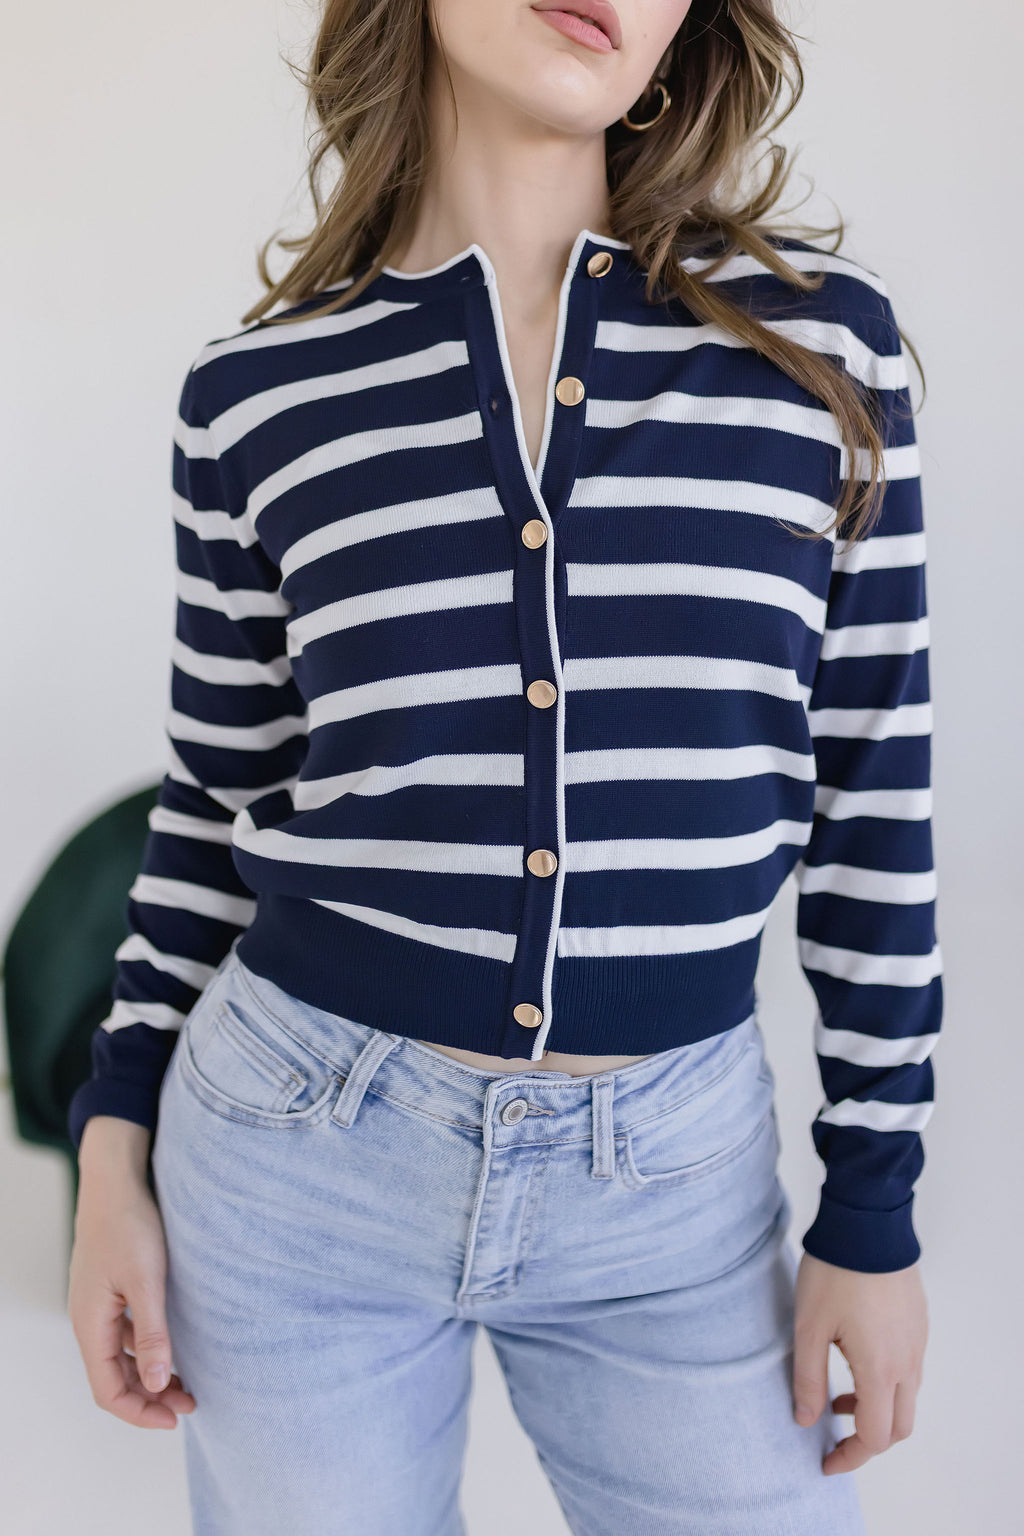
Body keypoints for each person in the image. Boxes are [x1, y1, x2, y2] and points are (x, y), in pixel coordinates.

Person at [67, 1, 941, 1531]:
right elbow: (212, 807)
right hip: (292, 1159)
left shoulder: (819, 353)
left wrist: (873, 1209)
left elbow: (876, 795)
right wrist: (110, 1156)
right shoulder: (258, 397)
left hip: (675, 1189)